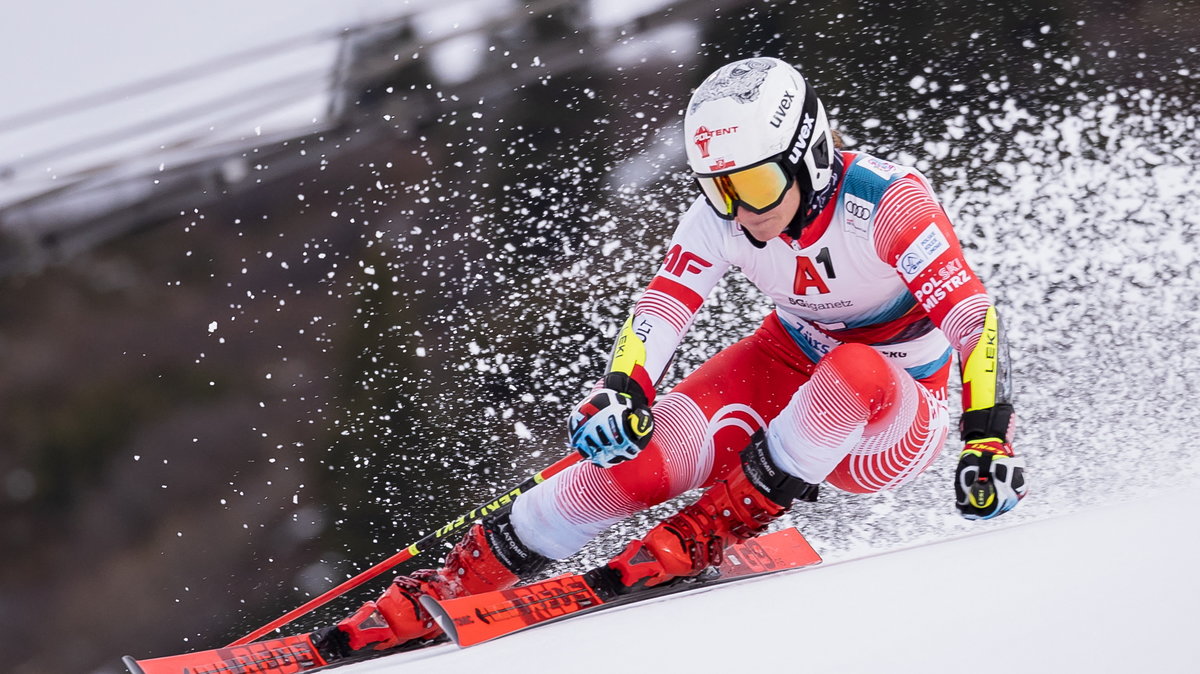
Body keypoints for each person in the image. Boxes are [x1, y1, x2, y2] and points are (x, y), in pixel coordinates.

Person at [313, 56, 1027, 657]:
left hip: (896, 407)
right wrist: (622, 390)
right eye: (719, 188)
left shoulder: (889, 204)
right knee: (635, 457)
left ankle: (714, 526)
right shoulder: (721, 217)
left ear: (806, 154)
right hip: (789, 359)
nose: (741, 211)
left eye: (753, 185)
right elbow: (665, 305)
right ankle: (455, 583)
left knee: (853, 370)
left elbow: (973, 318)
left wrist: (987, 437)